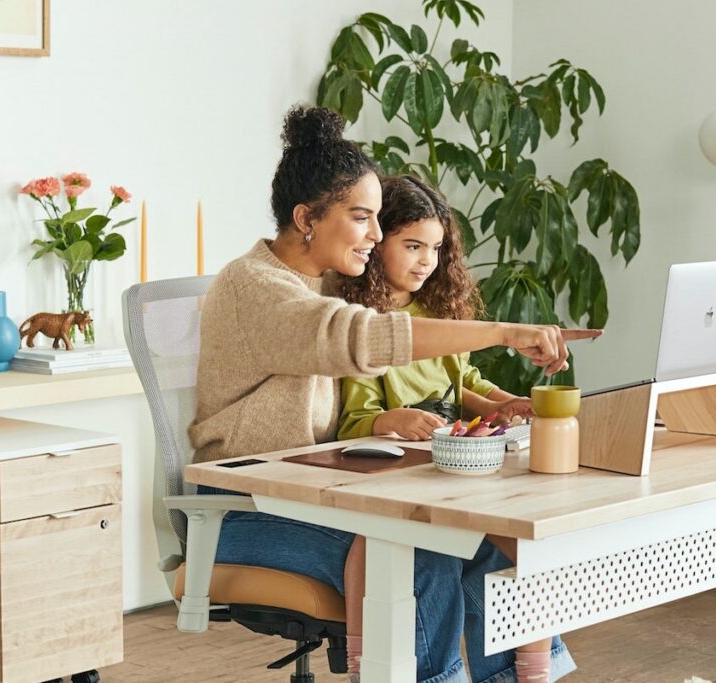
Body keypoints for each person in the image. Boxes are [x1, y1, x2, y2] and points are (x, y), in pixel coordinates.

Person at [189, 104, 596, 683]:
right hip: (248, 508)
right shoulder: (257, 288)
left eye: (379, 219)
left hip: (310, 490)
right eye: (362, 218)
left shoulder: (322, 281)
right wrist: (507, 332)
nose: (378, 236)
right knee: (420, 547)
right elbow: (366, 337)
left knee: (486, 547)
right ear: (307, 218)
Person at [337, 174, 569, 682]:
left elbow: (461, 380)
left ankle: (526, 671)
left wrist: (505, 402)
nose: (427, 261)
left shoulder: (434, 312)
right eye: (413, 245)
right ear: (377, 245)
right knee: (474, 547)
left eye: (436, 248)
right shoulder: (361, 324)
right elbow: (353, 421)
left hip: (448, 472)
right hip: (403, 480)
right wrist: (391, 418)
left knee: (513, 548)